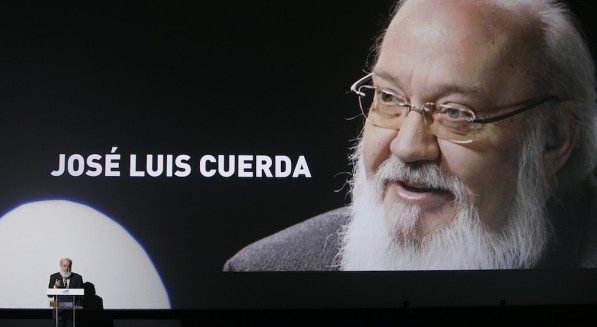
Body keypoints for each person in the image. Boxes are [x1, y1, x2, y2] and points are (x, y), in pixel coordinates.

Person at [224, 0, 597, 271]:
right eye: (389, 98)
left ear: (554, 138)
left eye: (456, 113)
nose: (407, 146)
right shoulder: (270, 271)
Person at [48, 257, 84, 327]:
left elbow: (81, 298)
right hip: (59, 312)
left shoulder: (78, 278)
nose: (66, 268)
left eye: (68, 266)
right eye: (64, 266)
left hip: (72, 313)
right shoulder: (54, 277)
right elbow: (50, 295)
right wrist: (55, 287)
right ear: (60, 266)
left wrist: (76, 307)